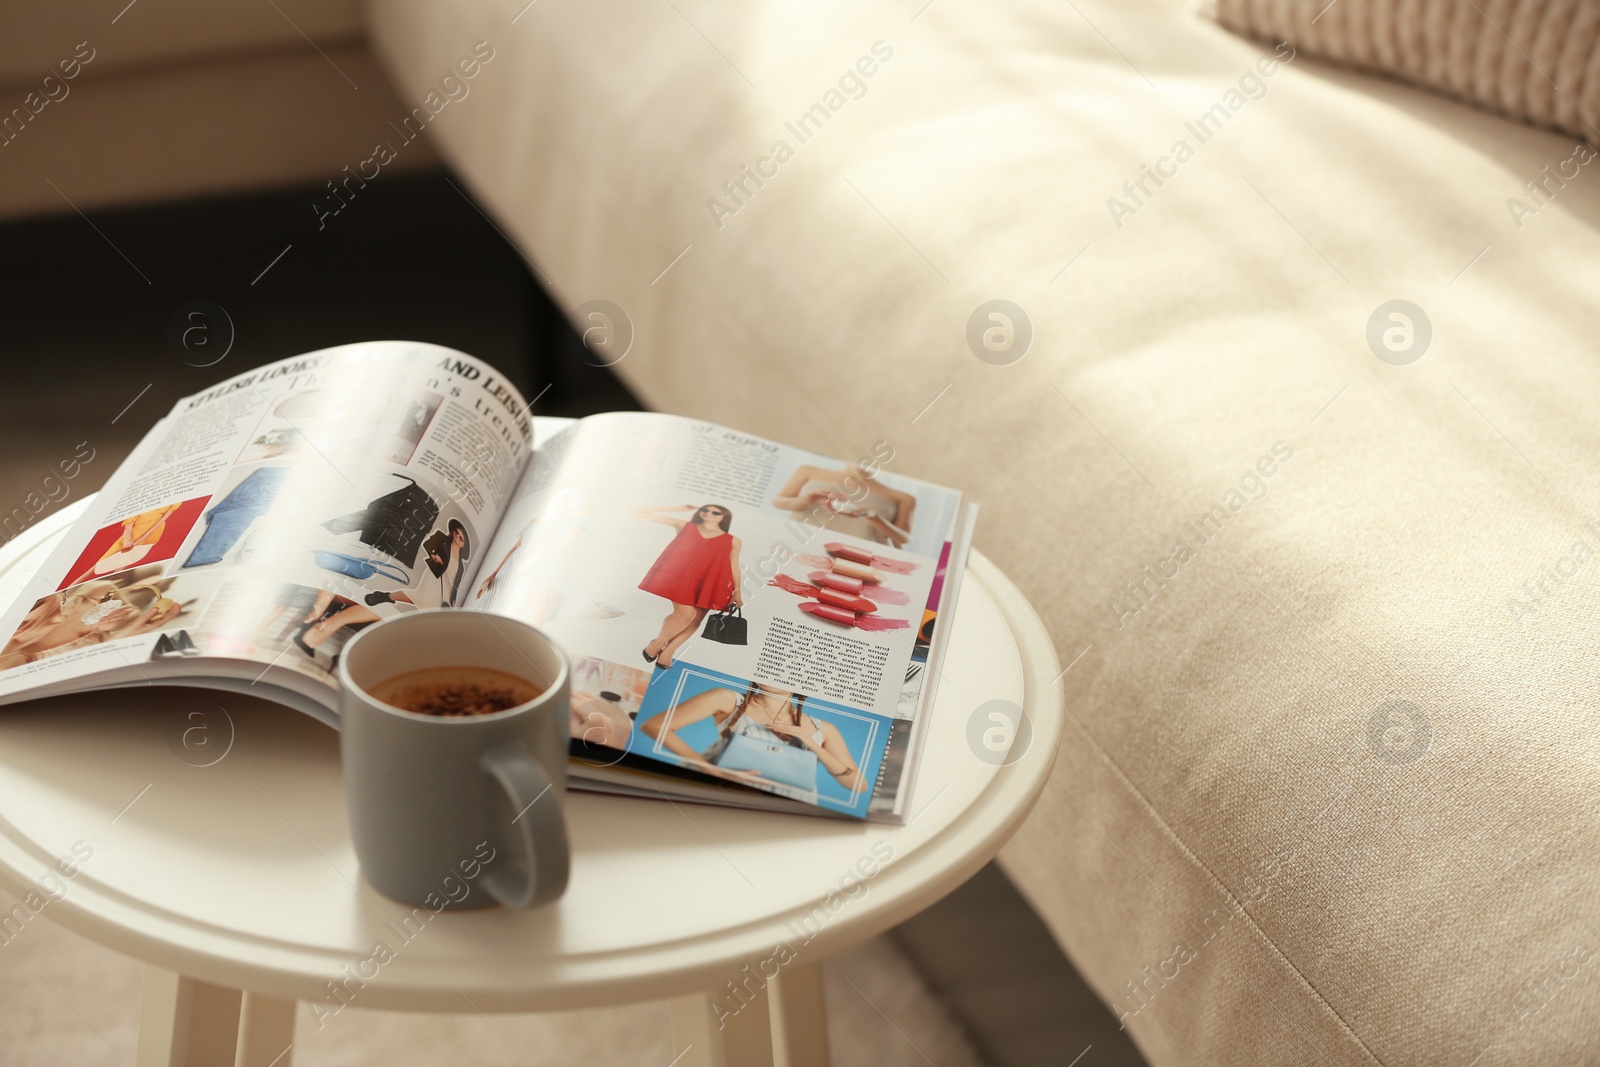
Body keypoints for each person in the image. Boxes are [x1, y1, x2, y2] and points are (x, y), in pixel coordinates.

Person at [641, 682, 864, 798]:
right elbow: (654, 726)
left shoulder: (822, 728)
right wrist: (714, 770)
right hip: (719, 793)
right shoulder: (729, 700)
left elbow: (858, 786)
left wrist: (813, 745)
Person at [636, 504, 742, 670]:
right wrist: (677, 508)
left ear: (724, 517)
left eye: (716, 512)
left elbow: (734, 566)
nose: (709, 514)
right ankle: (657, 644)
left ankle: (668, 652)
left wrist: (737, 592)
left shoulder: (734, 541)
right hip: (683, 577)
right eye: (705, 510)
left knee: (697, 618)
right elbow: (639, 511)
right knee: (686, 614)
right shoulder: (685, 526)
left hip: (714, 581)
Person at [770, 464, 915, 547]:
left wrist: (874, 517)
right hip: (795, 543)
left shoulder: (903, 498)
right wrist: (804, 501)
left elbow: (903, 538)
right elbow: (777, 501)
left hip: (856, 556)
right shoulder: (808, 471)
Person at [365, 519, 471, 609]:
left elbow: (456, 584)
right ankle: (387, 597)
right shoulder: (442, 538)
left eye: (461, 538)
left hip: (447, 589)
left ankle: (387, 597)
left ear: (464, 545)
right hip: (434, 575)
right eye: (456, 532)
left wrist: (453, 600)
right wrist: (434, 556)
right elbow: (427, 544)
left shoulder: (461, 566)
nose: (457, 536)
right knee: (421, 596)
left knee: (433, 607)